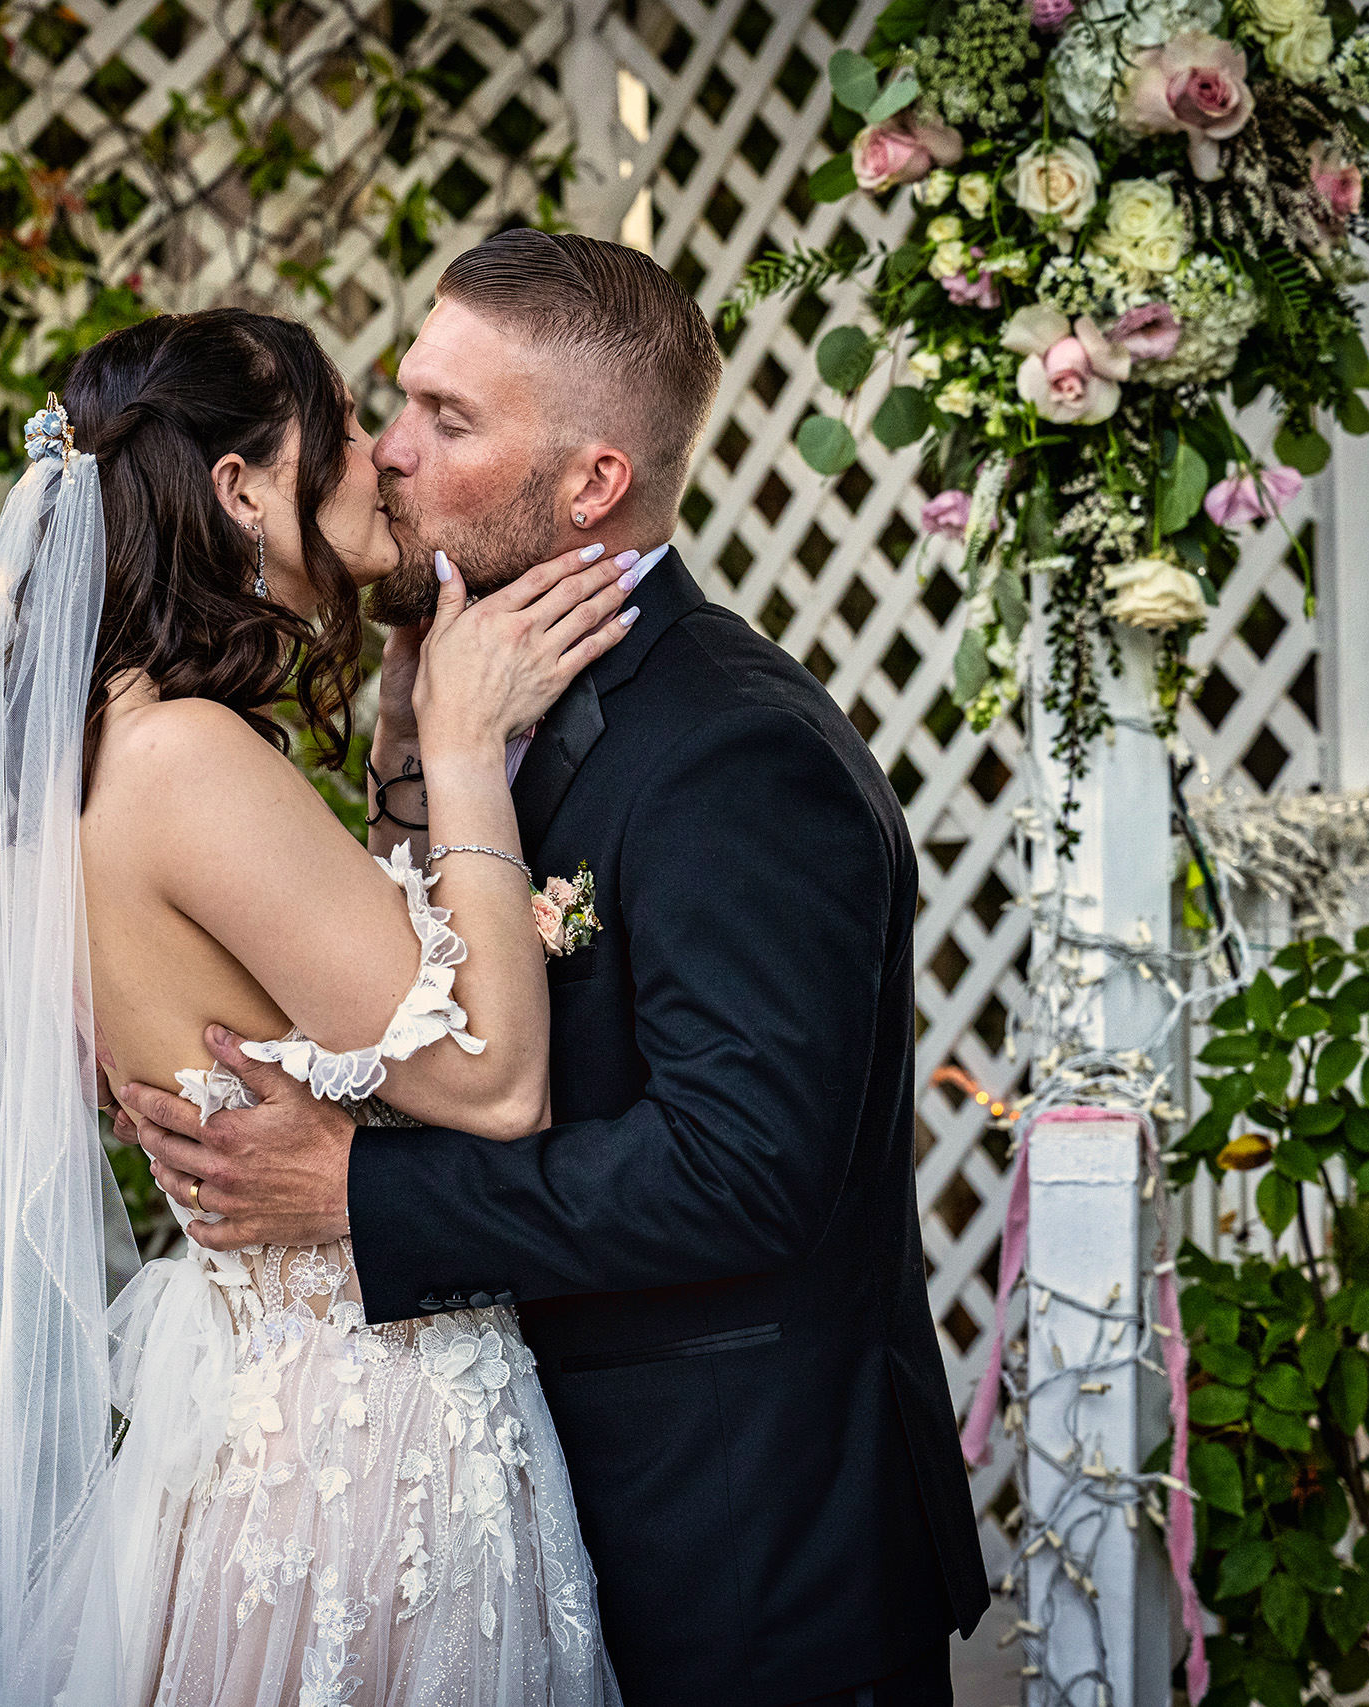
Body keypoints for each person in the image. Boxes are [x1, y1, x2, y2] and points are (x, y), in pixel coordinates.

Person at [112, 229, 993, 1707]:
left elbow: (745, 1170)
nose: (388, 453)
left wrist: (358, 1194)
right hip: (509, 1523)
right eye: (401, 399)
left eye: (447, 420)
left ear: (593, 485)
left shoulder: (734, 751)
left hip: (734, 1561)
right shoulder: (456, 699)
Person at [0, 306, 641, 1707]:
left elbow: (360, 1001)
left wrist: (404, 739)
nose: (383, 458)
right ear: (241, 488)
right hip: (370, 1439)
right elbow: (496, 1086)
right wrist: (464, 748)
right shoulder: (182, 759)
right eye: (344, 425)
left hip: (283, 1413)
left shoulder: (97, 753)